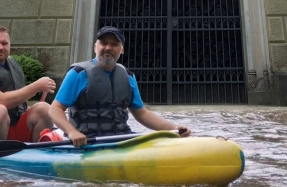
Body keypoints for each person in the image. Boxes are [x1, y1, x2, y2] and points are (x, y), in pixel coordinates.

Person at [49, 26, 192, 147]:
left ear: (121, 50)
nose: (108, 48)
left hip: (120, 138)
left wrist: (173, 129)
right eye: (104, 43)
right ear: (95, 47)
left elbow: (142, 113)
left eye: (114, 44)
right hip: (88, 140)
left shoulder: (128, 76)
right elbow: (55, 109)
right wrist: (72, 132)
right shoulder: (78, 73)